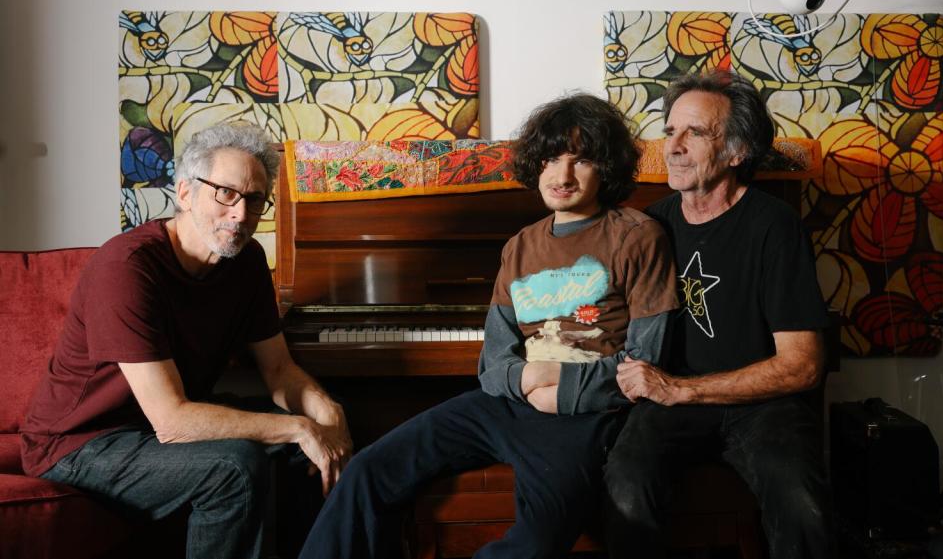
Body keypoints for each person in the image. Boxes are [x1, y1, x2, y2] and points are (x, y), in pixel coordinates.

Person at [297, 93, 677, 559]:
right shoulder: (519, 246)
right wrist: (525, 378)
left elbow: (646, 361)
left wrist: (557, 383)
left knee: (538, 541)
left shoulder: (638, 236)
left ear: (607, 167)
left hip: (584, 418)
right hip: (505, 403)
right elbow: (494, 361)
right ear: (536, 165)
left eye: (581, 161)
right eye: (552, 159)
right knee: (369, 471)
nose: (562, 175)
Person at [20, 123, 352, 559]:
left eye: (254, 201)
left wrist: (326, 413)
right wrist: (297, 426)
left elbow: (278, 370)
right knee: (235, 467)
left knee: (305, 452)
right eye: (226, 194)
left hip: (151, 432)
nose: (240, 214)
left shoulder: (247, 260)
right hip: (78, 444)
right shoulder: (126, 267)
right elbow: (172, 420)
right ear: (185, 193)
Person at [603, 70, 835, 559]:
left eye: (696, 133)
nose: (674, 146)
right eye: (670, 132)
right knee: (625, 484)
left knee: (803, 508)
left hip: (762, 407)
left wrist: (682, 388)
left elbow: (803, 365)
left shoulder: (775, 226)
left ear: (736, 151)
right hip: (671, 403)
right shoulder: (652, 225)